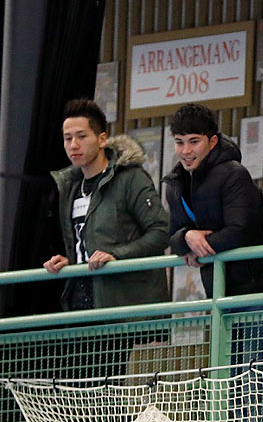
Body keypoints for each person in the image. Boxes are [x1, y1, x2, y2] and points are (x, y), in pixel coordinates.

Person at [164, 103, 263, 422]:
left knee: (254, 379)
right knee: (229, 380)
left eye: (193, 141)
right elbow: (173, 233)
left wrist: (198, 248)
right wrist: (186, 239)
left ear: (212, 141)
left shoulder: (233, 173)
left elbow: (239, 231)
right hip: (224, 295)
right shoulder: (175, 183)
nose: (186, 151)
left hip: (262, 291)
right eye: (179, 142)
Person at [44, 98, 170, 315]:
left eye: (82, 136)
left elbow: (162, 231)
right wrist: (70, 261)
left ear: (102, 139)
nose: (73, 145)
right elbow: (87, 240)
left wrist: (117, 255)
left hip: (120, 304)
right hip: (78, 305)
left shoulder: (130, 179)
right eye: (67, 138)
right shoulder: (70, 186)